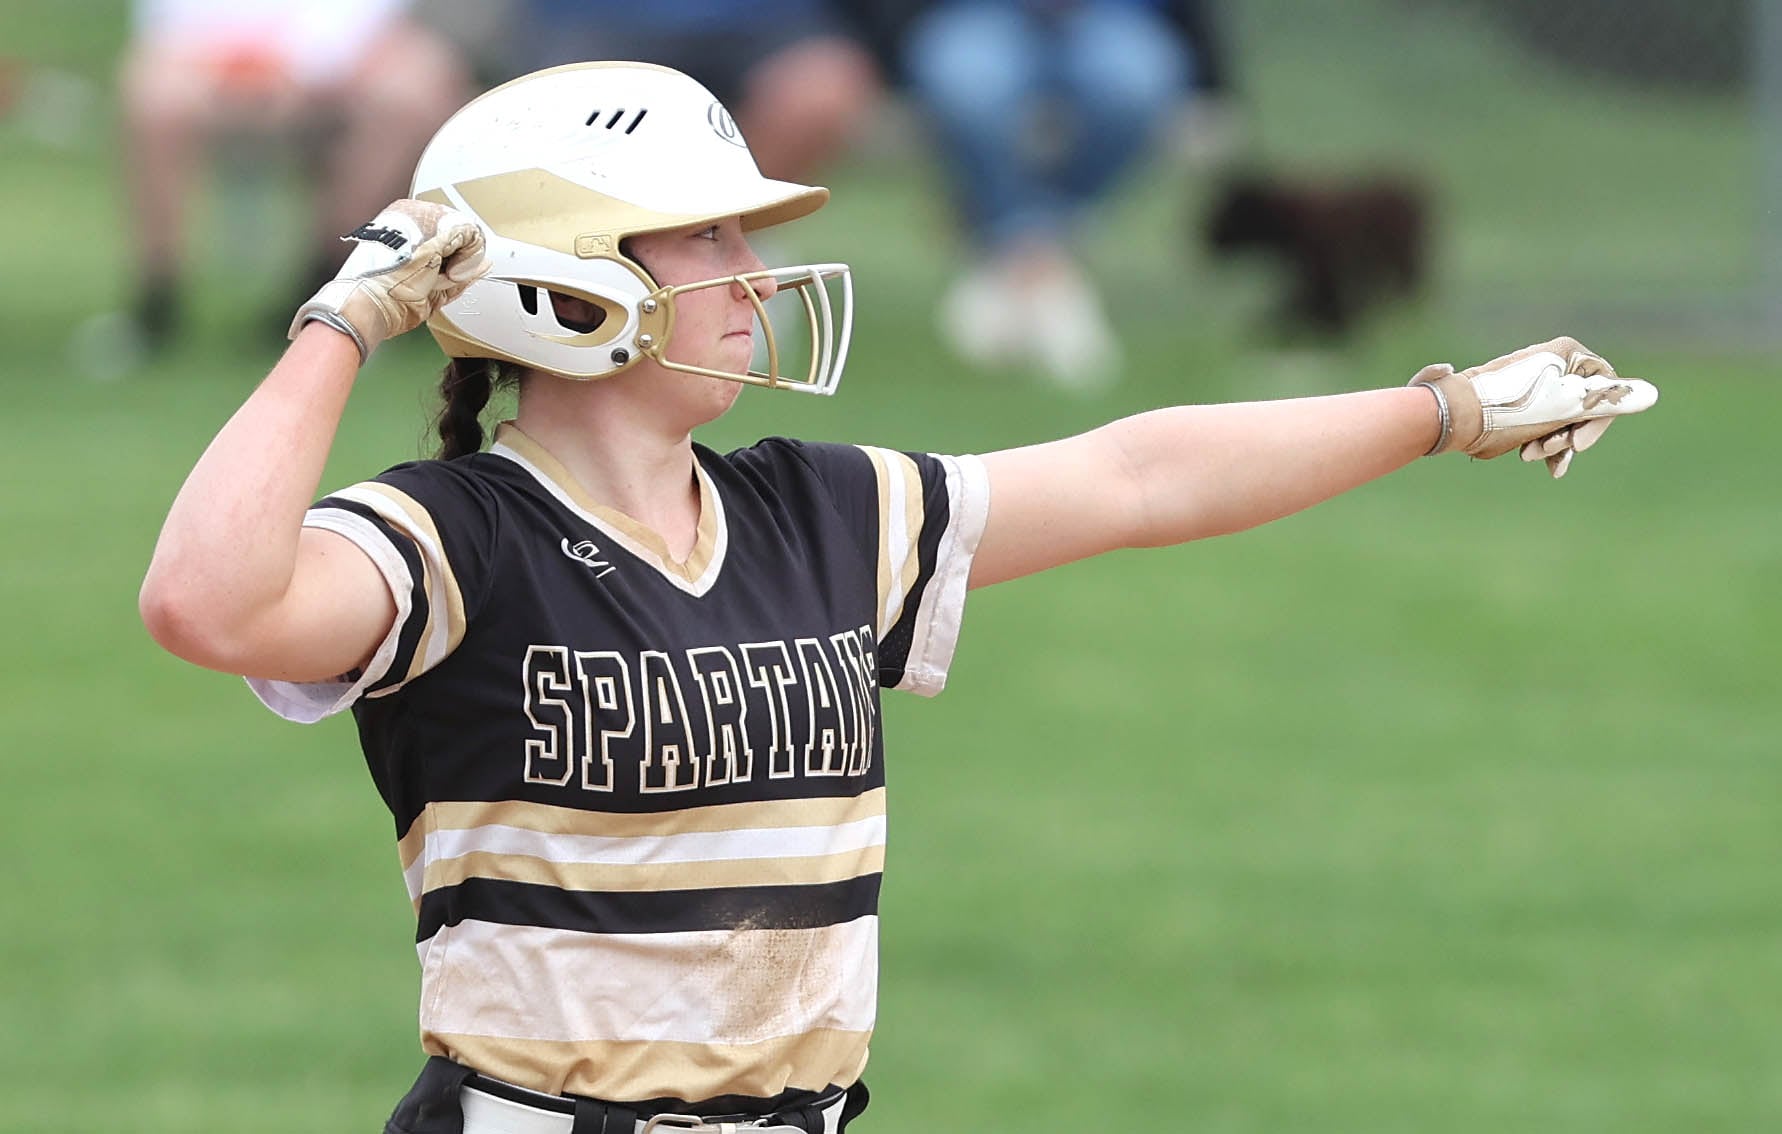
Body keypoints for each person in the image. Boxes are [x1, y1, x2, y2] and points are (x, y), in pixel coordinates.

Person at [137, 61, 1657, 1134]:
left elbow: (1138, 475)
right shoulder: (453, 538)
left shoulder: (818, 508)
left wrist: (1439, 411)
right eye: (711, 234)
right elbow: (206, 601)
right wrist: (346, 318)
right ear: (566, 284)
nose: (756, 268)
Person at [890, 0, 1215, 390]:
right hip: (975, 15)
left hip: (1115, 17)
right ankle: (1044, 264)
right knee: (969, 84)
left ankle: (1019, 254)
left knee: (1134, 84)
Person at [117, 0, 471, 351]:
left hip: (344, 60)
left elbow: (368, 17)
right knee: (157, 96)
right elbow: (172, 22)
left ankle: (332, 274)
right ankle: (159, 293)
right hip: (215, 61)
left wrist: (305, 64)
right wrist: (255, 67)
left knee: (408, 95)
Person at [505, 0, 881, 185]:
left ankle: (734, 242)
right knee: (559, 104)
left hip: (765, 19)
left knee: (820, 90)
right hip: (599, 16)